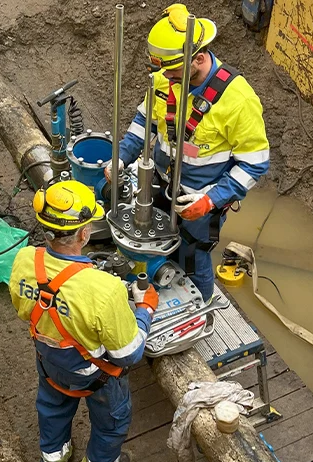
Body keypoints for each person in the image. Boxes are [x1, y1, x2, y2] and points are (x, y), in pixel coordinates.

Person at [107, 3, 270, 301]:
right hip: (159, 181)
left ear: (199, 58)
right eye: (162, 71)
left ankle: (199, 315)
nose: (165, 78)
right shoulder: (164, 77)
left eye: (173, 71)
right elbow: (146, 120)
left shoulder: (238, 99)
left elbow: (254, 164)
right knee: (152, 243)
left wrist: (210, 200)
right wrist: (123, 157)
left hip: (199, 197)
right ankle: (155, 296)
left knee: (193, 259)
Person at [9, 180, 159, 462]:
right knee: (111, 424)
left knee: (52, 408)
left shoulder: (25, 260)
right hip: (95, 376)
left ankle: (53, 461)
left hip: (50, 363)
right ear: (85, 232)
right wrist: (144, 309)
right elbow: (128, 354)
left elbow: (21, 309)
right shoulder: (104, 290)